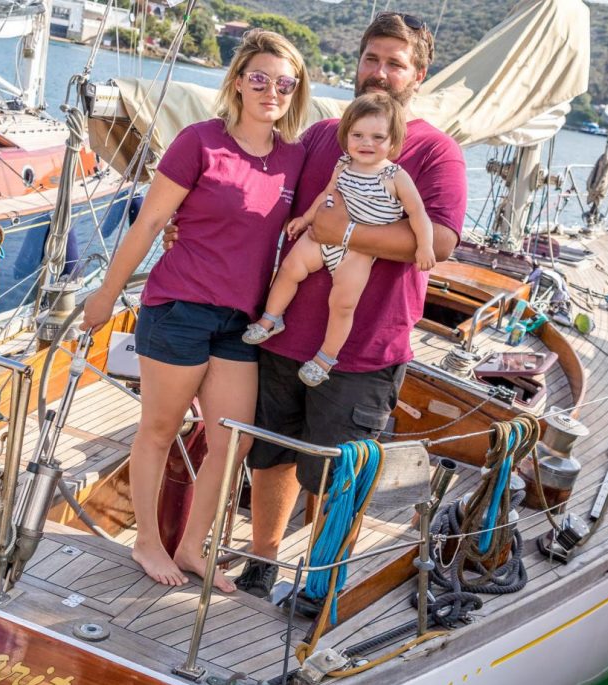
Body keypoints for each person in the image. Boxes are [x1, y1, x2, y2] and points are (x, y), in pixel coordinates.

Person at [235, 13, 468, 598]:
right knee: (271, 455)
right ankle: (262, 561)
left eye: (395, 63)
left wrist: (342, 233)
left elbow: (435, 245)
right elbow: (266, 197)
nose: (379, 73)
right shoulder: (322, 137)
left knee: (339, 479)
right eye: (372, 58)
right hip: (286, 335)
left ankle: (319, 584)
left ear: (418, 73)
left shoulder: (436, 154)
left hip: (362, 353)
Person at [79, 30, 310, 592]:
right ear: (237, 82)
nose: (270, 91)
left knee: (234, 439)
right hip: (179, 307)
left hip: (240, 321)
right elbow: (152, 223)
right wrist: (106, 296)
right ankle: (148, 542)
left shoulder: (296, 159)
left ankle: (193, 545)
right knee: (159, 428)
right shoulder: (200, 142)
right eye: (259, 79)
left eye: (284, 83)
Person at [242, 91, 435, 387]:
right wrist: (305, 219)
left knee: (343, 304)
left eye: (377, 137)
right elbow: (326, 195)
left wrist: (424, 246)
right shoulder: (343, 165)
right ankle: (270, 319)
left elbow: (418, 213)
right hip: (320, 239)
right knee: (290, 270)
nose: (366, 143)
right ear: (345, 137)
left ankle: (325, 358)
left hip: (357, 251)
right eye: (357, 135)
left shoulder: (395, 177)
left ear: (393, 142)